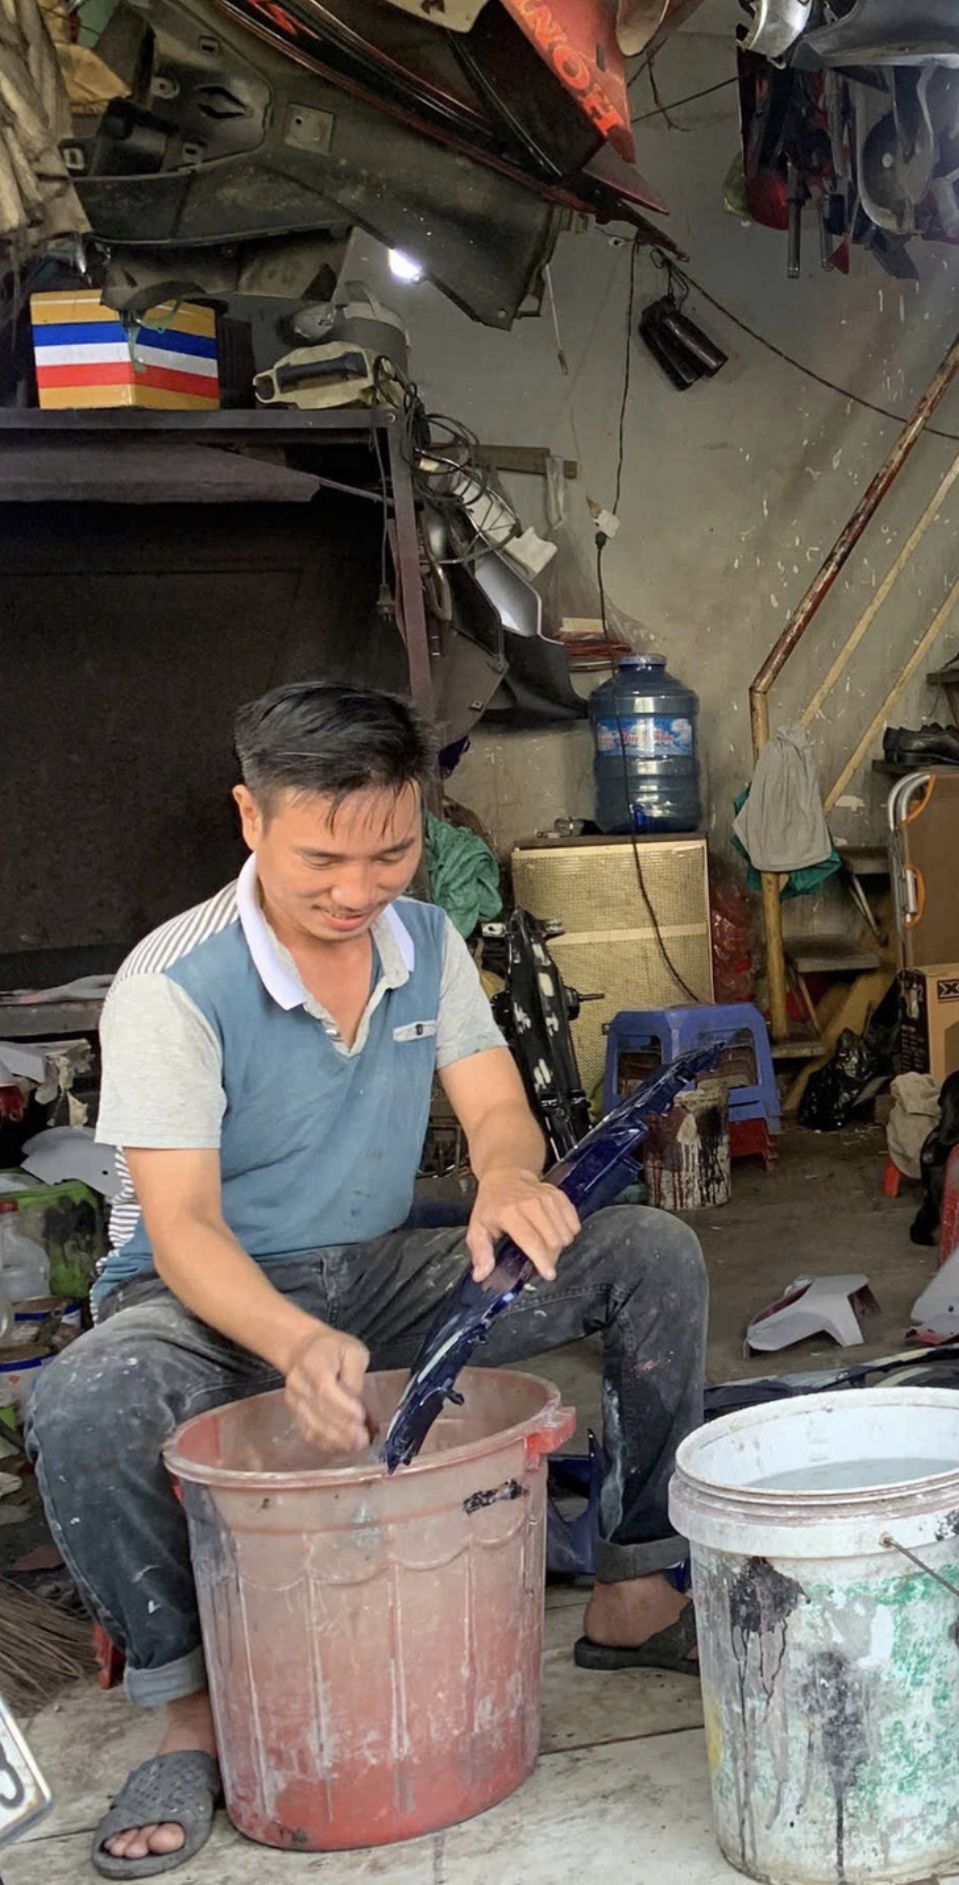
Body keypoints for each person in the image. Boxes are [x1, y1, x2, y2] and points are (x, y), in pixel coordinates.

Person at [28, 685, 709, 1880]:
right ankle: (188, 1713)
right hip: (205, 1301)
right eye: (321, 859)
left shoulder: (427, 942)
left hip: (381, 1270)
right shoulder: (172, 983)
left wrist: (506, 1178)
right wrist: (292, 1341)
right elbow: (181, 1228)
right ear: (250, 816)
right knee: (83, 1399)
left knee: (648, 1252)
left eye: (390, 850)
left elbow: (495, 1103)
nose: (357, 888)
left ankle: (634, 1591)